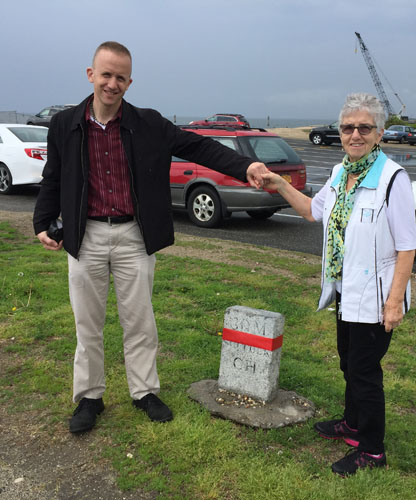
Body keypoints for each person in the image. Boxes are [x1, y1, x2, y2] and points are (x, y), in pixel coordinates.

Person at [33, 41, 269, 434]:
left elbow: (198, 144)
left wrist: (246, 165)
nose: (112, 83)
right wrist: (43, 220)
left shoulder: (148, 123)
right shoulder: (64, 125)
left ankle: (144, 391)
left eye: (121, 77)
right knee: (87, 324)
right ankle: (90, 397)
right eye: (106, 74)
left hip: (132, 235)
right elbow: (52, 178)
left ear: (130, 81)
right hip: (85, 236)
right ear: (90, 74)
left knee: (140, 322)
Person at [261, 93, 416, 476]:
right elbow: (312, 211)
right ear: (340, 132)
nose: (355, 134)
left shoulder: (393, 179)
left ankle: (372, 449)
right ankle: (351, 424)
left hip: (377, 298)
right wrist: (280, 183)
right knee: (349, 362)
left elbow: (407, 247)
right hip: (346, 293)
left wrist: (394, 302)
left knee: (365, 371)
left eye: (365, 127)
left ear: (379, 133)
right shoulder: (339, 173)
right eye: (348, 127)